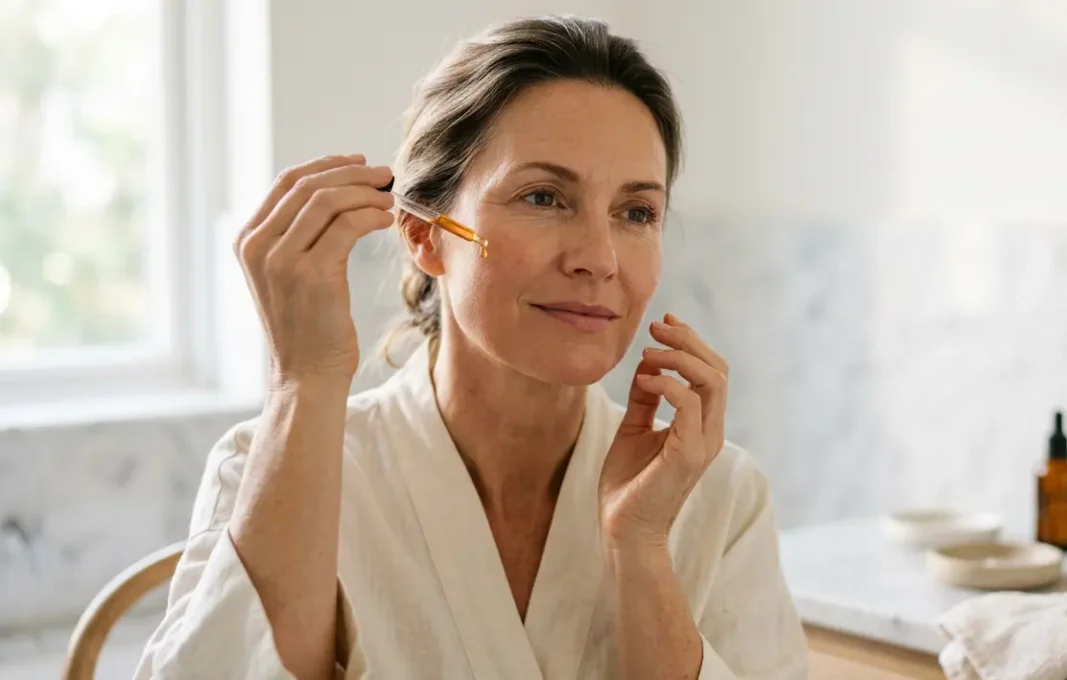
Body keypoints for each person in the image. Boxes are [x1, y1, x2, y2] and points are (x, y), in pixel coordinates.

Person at [134, 15, 808, 680]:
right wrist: (303, 380)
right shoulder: (278, 467)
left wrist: (641, 550)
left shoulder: (718, 496)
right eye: (544, 197)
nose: (599, 259)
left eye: (636, 213)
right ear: (425, 235)